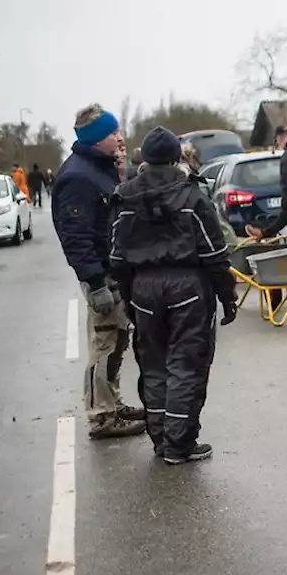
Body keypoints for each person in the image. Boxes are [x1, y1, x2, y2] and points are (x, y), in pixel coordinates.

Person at [109, 127, 238, 464]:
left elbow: (117, 257)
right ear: (176, 156)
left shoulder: (124, 196)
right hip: (188, 287)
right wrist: (227, 296)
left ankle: (161, 441)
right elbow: (214, 253)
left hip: (143, 289)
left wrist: (128, 296)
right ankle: (178, 445)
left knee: (153, 364)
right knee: (186, 365)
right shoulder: (191, 194)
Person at [52, 103, 147, 439]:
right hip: (101, 274)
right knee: (105, 341)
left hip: (114, 269)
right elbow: (75, 236)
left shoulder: (101, 169)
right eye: (112, 132)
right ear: (95, 139)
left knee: (118, 338)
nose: (120, 137)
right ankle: (101, 414)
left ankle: (113, 402)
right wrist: (95, 283)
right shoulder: (78, 176)